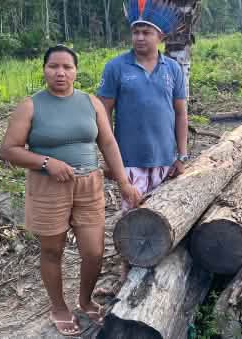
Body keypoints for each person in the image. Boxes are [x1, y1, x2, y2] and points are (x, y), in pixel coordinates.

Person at [0, 45, 141, 336]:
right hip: (48, 187)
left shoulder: (91, 103)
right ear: (44, 69)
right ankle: (58, 307)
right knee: (52, 251)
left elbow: (108, 144)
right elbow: (9, 150)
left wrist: (124, 181)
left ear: (76, 71)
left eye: (67, 67)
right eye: (53, 66)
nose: (60, 72)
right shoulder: (31, 105)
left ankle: (85, 299)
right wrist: (46, 162)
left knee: (94, 251)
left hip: (89, 185)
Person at [97, 0, 188, 211]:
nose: (139, 37)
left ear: (160, 37)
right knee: (134, 220)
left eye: (146, 32)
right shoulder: (115, 67)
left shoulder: (173, 69)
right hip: (129, 161)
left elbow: (181, 114)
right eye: (135, 32)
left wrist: (181, 156)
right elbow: (103, 115)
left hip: (166, 161)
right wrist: (111, 160)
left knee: (167, 217)